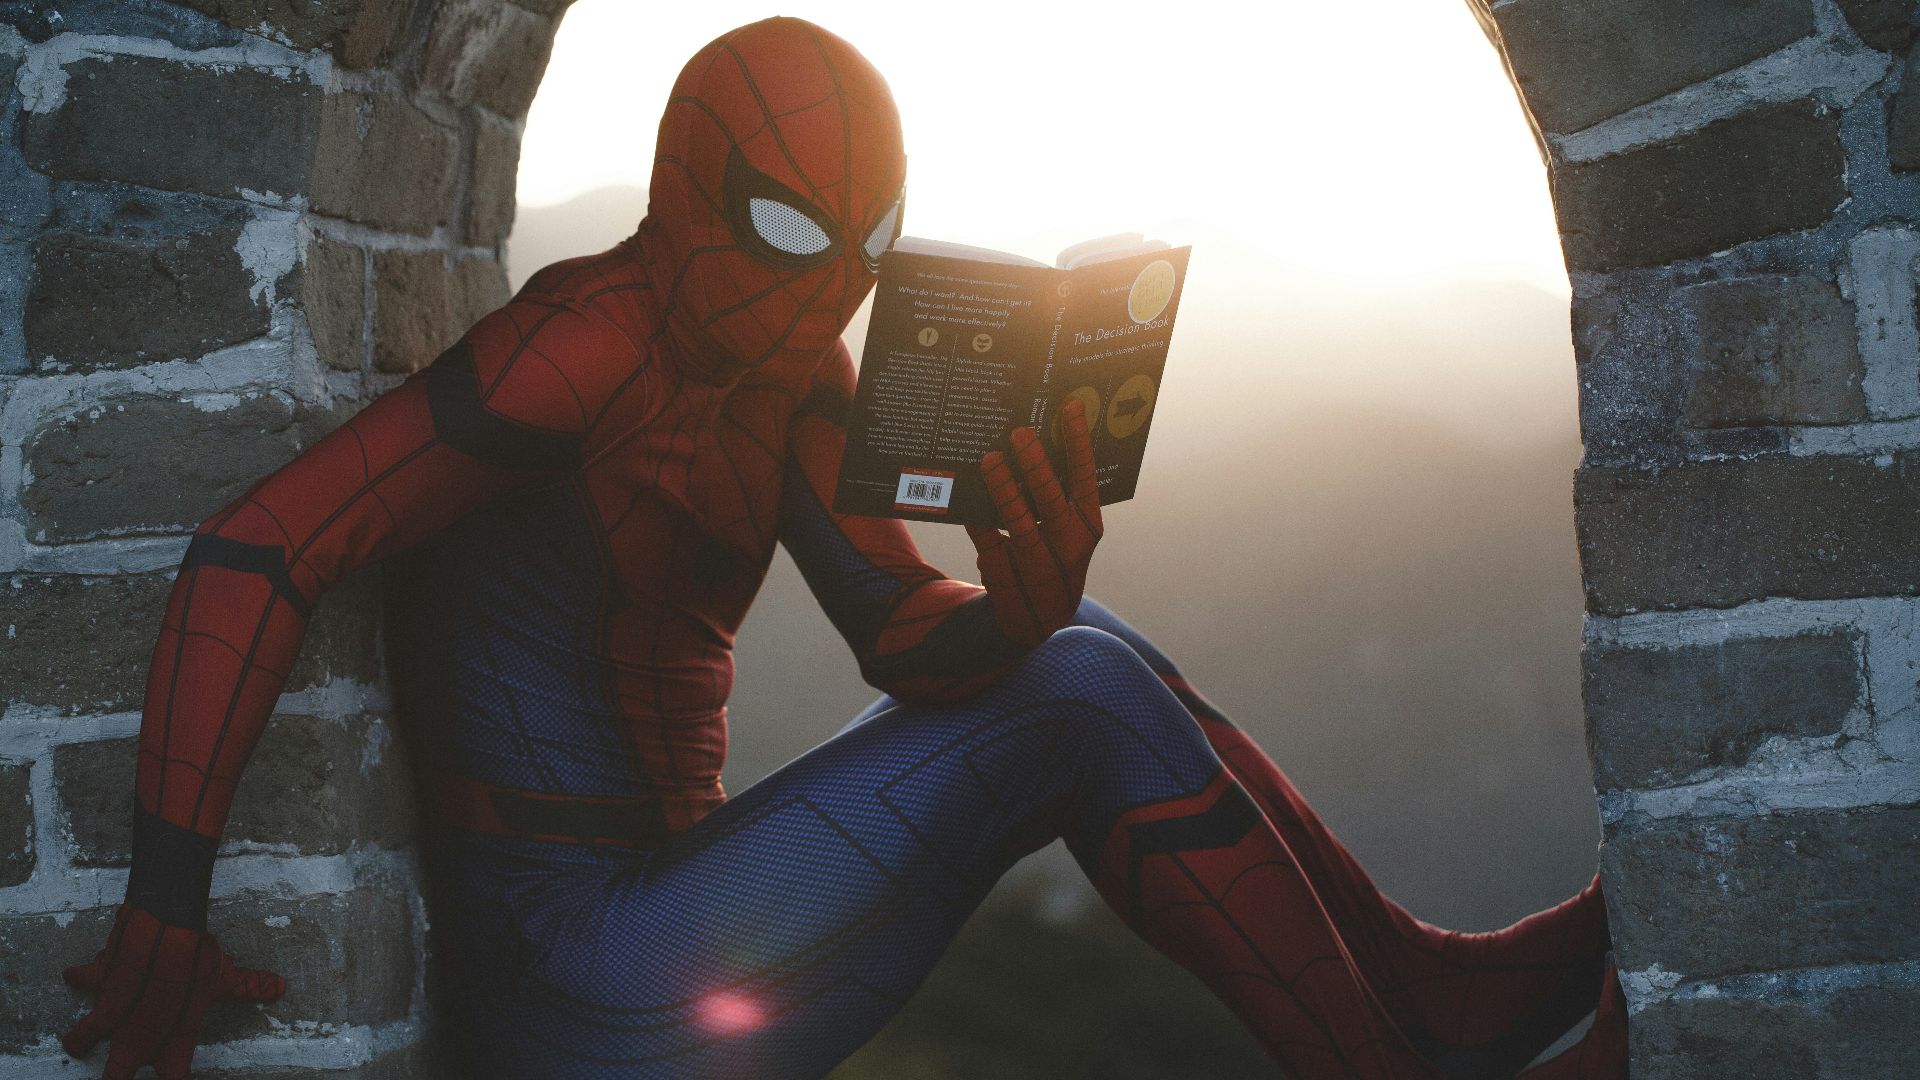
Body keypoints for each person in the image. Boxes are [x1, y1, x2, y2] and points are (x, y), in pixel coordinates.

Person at [59, 16, 1625, 1080]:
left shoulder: (794, 366)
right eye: (793, 233)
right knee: (1078, 689)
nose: (830, 288)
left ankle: (1423, 992)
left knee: (1094, 652)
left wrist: (1019, 597)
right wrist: (165, 898)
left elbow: (900, 631)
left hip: (686, 908)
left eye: (870, 246)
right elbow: (263, 546)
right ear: (686, 193)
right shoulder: (581, 347)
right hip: (566, 976)